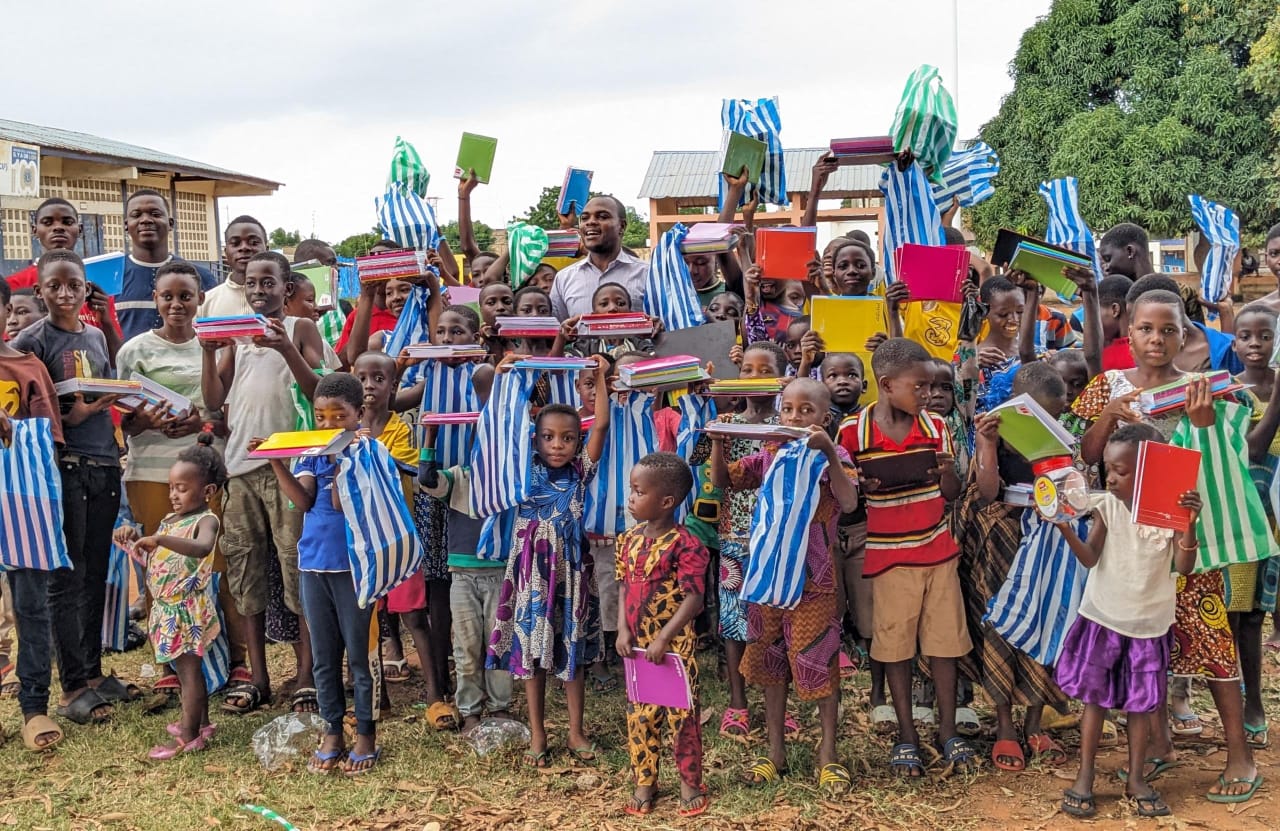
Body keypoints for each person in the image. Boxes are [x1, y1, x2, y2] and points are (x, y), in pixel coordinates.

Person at [1072, 289, 1260, 804]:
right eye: (1146, 329)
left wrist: (1203, 426)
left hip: (1180, 541)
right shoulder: (1107, 386)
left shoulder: (1204, 390)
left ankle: (1239, 754)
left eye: (1169, 329)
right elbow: (1088, 455)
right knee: (1143, 645)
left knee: (1211, 640)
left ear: (1185, 335)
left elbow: (1228, 458)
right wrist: (1110, 412)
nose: (1157, 339)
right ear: (1127, 331)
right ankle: (1157, 746)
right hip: (1126, 547)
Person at [713, 379, 860, 792]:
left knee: (820, 663)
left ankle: (828, 754)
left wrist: (829, 451)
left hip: (815, 582)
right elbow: (725, 481)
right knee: (770, 665)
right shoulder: (770, 454)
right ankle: (774, 752)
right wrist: (721, 443)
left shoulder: (837, 457)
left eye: (806, 411)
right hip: (766, 579)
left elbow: (848, 503)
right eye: (789, 410)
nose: (795, 418)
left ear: (824, 418)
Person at [837, 338, 972, 778]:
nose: (928, 395)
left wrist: (946, 473)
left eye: (933, 387)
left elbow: (952, 495)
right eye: (919, 386)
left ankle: (949, 731)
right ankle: (907, 734)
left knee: (945, 644)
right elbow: (846, 503)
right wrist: (862, 490)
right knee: (894, 648)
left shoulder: (936, 427)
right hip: (887, 555)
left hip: (938, 550)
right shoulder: (852, 433)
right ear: (887, 384)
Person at [1053, 423, 1203, 818]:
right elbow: (1089, 558)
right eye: (1108, 469)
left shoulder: (1171, 512)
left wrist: (1189, 523)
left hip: (1149, 625)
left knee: (1140, 707)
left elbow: (1184, 566)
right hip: (1104, 617)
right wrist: (1065, 527)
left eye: (1122, 470)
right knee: (1095, 701)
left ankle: (1136, 777)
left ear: (1150, 471)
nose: (1112, 478)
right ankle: (1084, 774)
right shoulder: (1108, 507)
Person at [201, 251, 328, 715]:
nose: (259, 290)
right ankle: (258, 676)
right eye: (252, 283)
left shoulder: (300, 329)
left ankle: (308, 675)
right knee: (245, 574)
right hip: (240, 468)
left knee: (298, 569)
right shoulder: (234, 338)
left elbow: (321, 391)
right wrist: (208, 350)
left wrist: (284, 348)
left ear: (286, 287)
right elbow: (215, 400)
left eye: (268, 282)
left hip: (290, 467)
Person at [116, 261, 246, 706]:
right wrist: (141, 420)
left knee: (219, 565)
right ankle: (170, 662)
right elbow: (120, 420)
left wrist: (200, 420)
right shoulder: (133, 351)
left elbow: (224, 409)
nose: (176, 304)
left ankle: (236, 656)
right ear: (155, 299)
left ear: (199, 300)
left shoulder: (214, 347)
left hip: (208, 470)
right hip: (151, 473)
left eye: (185, 296)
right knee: (160, 568)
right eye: (167, 296)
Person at [13, 250, 130, 725]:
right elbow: (24, 413)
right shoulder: (30, 340)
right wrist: (72, 416)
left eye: (73, 285)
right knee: (69, 575)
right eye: (54, 287)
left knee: (96, 569)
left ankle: (95, 671)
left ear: (86, 289)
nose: (65, 294)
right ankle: (72, 685)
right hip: (64, 465)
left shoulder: (96, 334)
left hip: (104, 460)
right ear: (40, 292)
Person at [487, 356, 611, 767]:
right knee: (533, 653)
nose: (558, 445)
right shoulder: (522, 469)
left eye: (568, 438)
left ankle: (576, 731)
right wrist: (508, 377)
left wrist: (601, 378)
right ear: (535, 439)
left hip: (571, 571)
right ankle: (538, 733)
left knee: (570, 653)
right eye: (549, 437)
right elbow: (507, 425)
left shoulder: (580, 472)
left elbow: (603, 425)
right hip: (531, 573)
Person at [256, 373, 381, 775]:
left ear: (358, 414)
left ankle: (365, 734)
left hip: (354, 567)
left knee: (359, 657)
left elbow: (346, 504)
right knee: (324, 658)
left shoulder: (368, 453)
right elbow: (305, 501)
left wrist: (344, 459)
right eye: (321, 417)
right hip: (312, 565)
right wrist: (276, 460)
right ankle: (332, 731)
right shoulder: (310, 454)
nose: (328, 425)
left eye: (338, 416)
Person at [957, 363, 1073, 772]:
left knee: (1042, 625)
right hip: (1001, 542)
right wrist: (987, 445)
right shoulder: (996, 431)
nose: (1048, 423)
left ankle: (1037, 723)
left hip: (1048, 542)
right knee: (1001, 629)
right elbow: (987, 492)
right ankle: (1005, 725)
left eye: (1055, 416)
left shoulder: (1066, 437)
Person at [114, 433, 226, 759]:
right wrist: (134, 540)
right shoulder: (169, 521)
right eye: (171, 488)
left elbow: (202, 548)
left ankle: (190, 736)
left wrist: (161, 539)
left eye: (182, 488)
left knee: (189, 675)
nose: (174, 495)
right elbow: (159, 562)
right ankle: (200, 722)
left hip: (186, 611)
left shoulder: (205, 521)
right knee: (185, 671)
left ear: (208, 491)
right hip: (168, 608)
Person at [615, 453, 710, 818]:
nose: (631, 498)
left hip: (674, 650)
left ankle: (689, 782)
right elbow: (623, 586)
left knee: (681, 716)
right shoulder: (627, 540)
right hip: (638, 648)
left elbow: (693, 598)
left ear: (667, 501)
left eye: (638, 492)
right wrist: (623, 629)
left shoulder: (686, 544)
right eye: (631, 490)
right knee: (640, 715)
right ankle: (645, 780)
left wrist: (664, 638)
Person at [418, 367, 510, 734]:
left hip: (500, 571)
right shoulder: (460, 476)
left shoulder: (509, 480)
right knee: (468, 645)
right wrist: (431, 434)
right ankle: (470, 706)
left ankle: (500, 705)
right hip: (462, 575)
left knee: (498, 640)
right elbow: (426, 480)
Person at [0, 278, 67, 751]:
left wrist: (11, 430)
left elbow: (49, 442)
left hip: (21, 502)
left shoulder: (26, 367)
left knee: (31, 605)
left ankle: (34, 707)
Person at [713, 342, 786, 740]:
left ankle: (777, 699)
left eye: (766, 370)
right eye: (749, 371)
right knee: (734, 620)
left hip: (778, 537)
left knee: (774, 619)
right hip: (735, 535)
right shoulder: (726, 419)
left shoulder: (787, 422)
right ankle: (738, 701)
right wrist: (720, 438)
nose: (756, 378)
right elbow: (714, 475)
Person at [1229, 303, 1279, 752]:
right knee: (1238, 613)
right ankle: (1245, 704)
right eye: (1245, 336)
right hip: (1244, 517)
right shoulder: (1232, 392)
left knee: (1259, 615)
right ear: (1234, 340)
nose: (1255, 345)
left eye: (1265, 336)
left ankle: (1255, 701)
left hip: (1277, 518)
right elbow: (1252, 453)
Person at [5, 198, 121, 355]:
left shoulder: (98, 286)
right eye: (48, 222)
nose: (58, 228)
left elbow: (115, 358)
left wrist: (106, 319)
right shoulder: (14, 285)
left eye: (67, 222)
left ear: (79, 229)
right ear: (34, 230)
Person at [116, 190, 217, 342]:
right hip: (125, 365)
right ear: (126, 225)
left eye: (155, 214)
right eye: (136, 215)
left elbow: (214, 331)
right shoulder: (111, 276)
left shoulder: (199, 277)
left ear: (171, 224)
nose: (146, 220)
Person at [550, 196, 647, 320]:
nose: (591, 222)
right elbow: (558, 333)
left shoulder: (647, 274)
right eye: (584, 218)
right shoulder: (564, 279)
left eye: (602, 217)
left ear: (621, 226)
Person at [198, 216, 268, 318]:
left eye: (253, 242)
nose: (244, 248)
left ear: (267, 249)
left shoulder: (284, 300)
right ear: (226, 252)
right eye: (235, 243)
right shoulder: (205, 304)